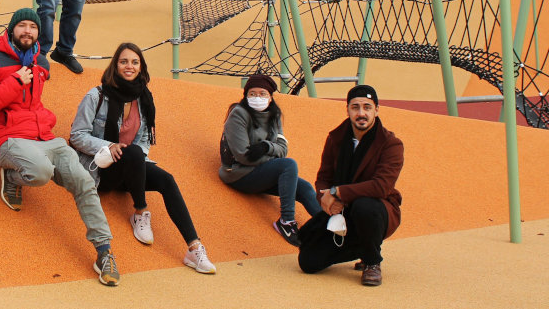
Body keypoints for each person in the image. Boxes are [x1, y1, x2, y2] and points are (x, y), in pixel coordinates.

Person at [0, 8, 121, 286]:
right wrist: (14, 82)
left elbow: (32, 102)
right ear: (11, 29)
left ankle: (104, 252)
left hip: (44, 137)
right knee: (40, 171)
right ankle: (12, 176)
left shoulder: (41, 63)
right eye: (22, 26)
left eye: (33, 27)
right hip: (7, 138)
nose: (28, 31)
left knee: (84, 181)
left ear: (38, 33)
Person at [70, 43, 216, 274]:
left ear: (141, 67)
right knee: (134, 153)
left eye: (134, 62)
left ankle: (194, 247)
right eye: (124, 61)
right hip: (102, 169)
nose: (129, 66)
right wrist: (109, 146)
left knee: (166, 179)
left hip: (131, 168)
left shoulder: (144, 99)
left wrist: (137, 162)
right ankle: (140, 212)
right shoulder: (96, 96)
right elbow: (76, 135)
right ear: (115, 65)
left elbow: (144, 140)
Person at [298, 85, 404, 287]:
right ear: (347, 110)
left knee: (365, 206)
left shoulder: (391, 144)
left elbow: (381, 186)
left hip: (377, 210)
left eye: (367, 107)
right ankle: (364, 246)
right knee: (308, 262)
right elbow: (323, 177)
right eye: (355, 107)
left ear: (377, 110)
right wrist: (326, 199)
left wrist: (338, 193)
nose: (361, 113)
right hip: (342, 213)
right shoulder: (336, 138)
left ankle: (372, 262)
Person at [218, 73, 322, 246]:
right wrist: (273, 159)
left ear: (271, 97)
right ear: (246, 96)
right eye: (252, 94)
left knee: (303, 187)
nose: (257, 98)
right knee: (288, 166)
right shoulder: (238, 115)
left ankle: (327, 226)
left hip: (261, 170)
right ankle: (286, 221)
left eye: (262, 94)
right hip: (238, 174)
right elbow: (243, 156)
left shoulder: (274, 115)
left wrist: (266, 147)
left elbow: (283, 149)